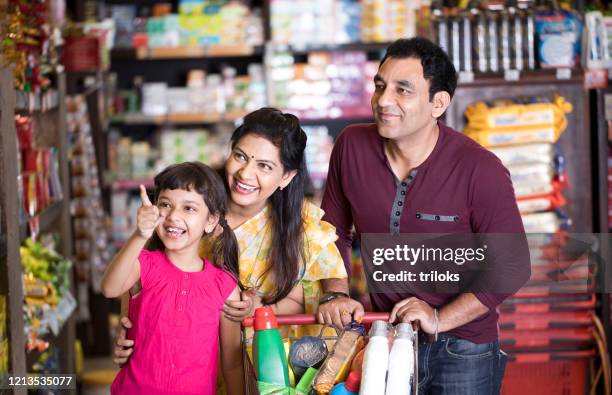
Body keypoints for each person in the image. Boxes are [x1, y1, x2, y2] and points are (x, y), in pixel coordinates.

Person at [321, 37, 530, 394]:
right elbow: (331, 231)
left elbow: (511, 266)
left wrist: (439, 318)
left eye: (403, 90)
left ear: (438, 103)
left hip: (464, 349)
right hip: (385, 338)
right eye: (380, 86)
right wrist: (334, 294)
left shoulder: (479, 169)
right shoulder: (351, 147)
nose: (384, 101)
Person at [112, 108, 358, 366]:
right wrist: (128, 324)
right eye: (240, 156)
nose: (245, 174)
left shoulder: (302, 224)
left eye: (264, 166)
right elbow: (142, 266)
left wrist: (262, 308)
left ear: (286, 176)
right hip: (183, 358)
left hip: (266, 368)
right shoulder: (192, 202)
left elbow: (328, 280)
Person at [101, 162, 244, 395]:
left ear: (211, 221)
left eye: (189, 208)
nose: (173, 216)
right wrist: (140, 234)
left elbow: (233, 364)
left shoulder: (224, 287)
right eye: (165, 205)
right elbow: (109, 288)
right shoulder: (143, 264)